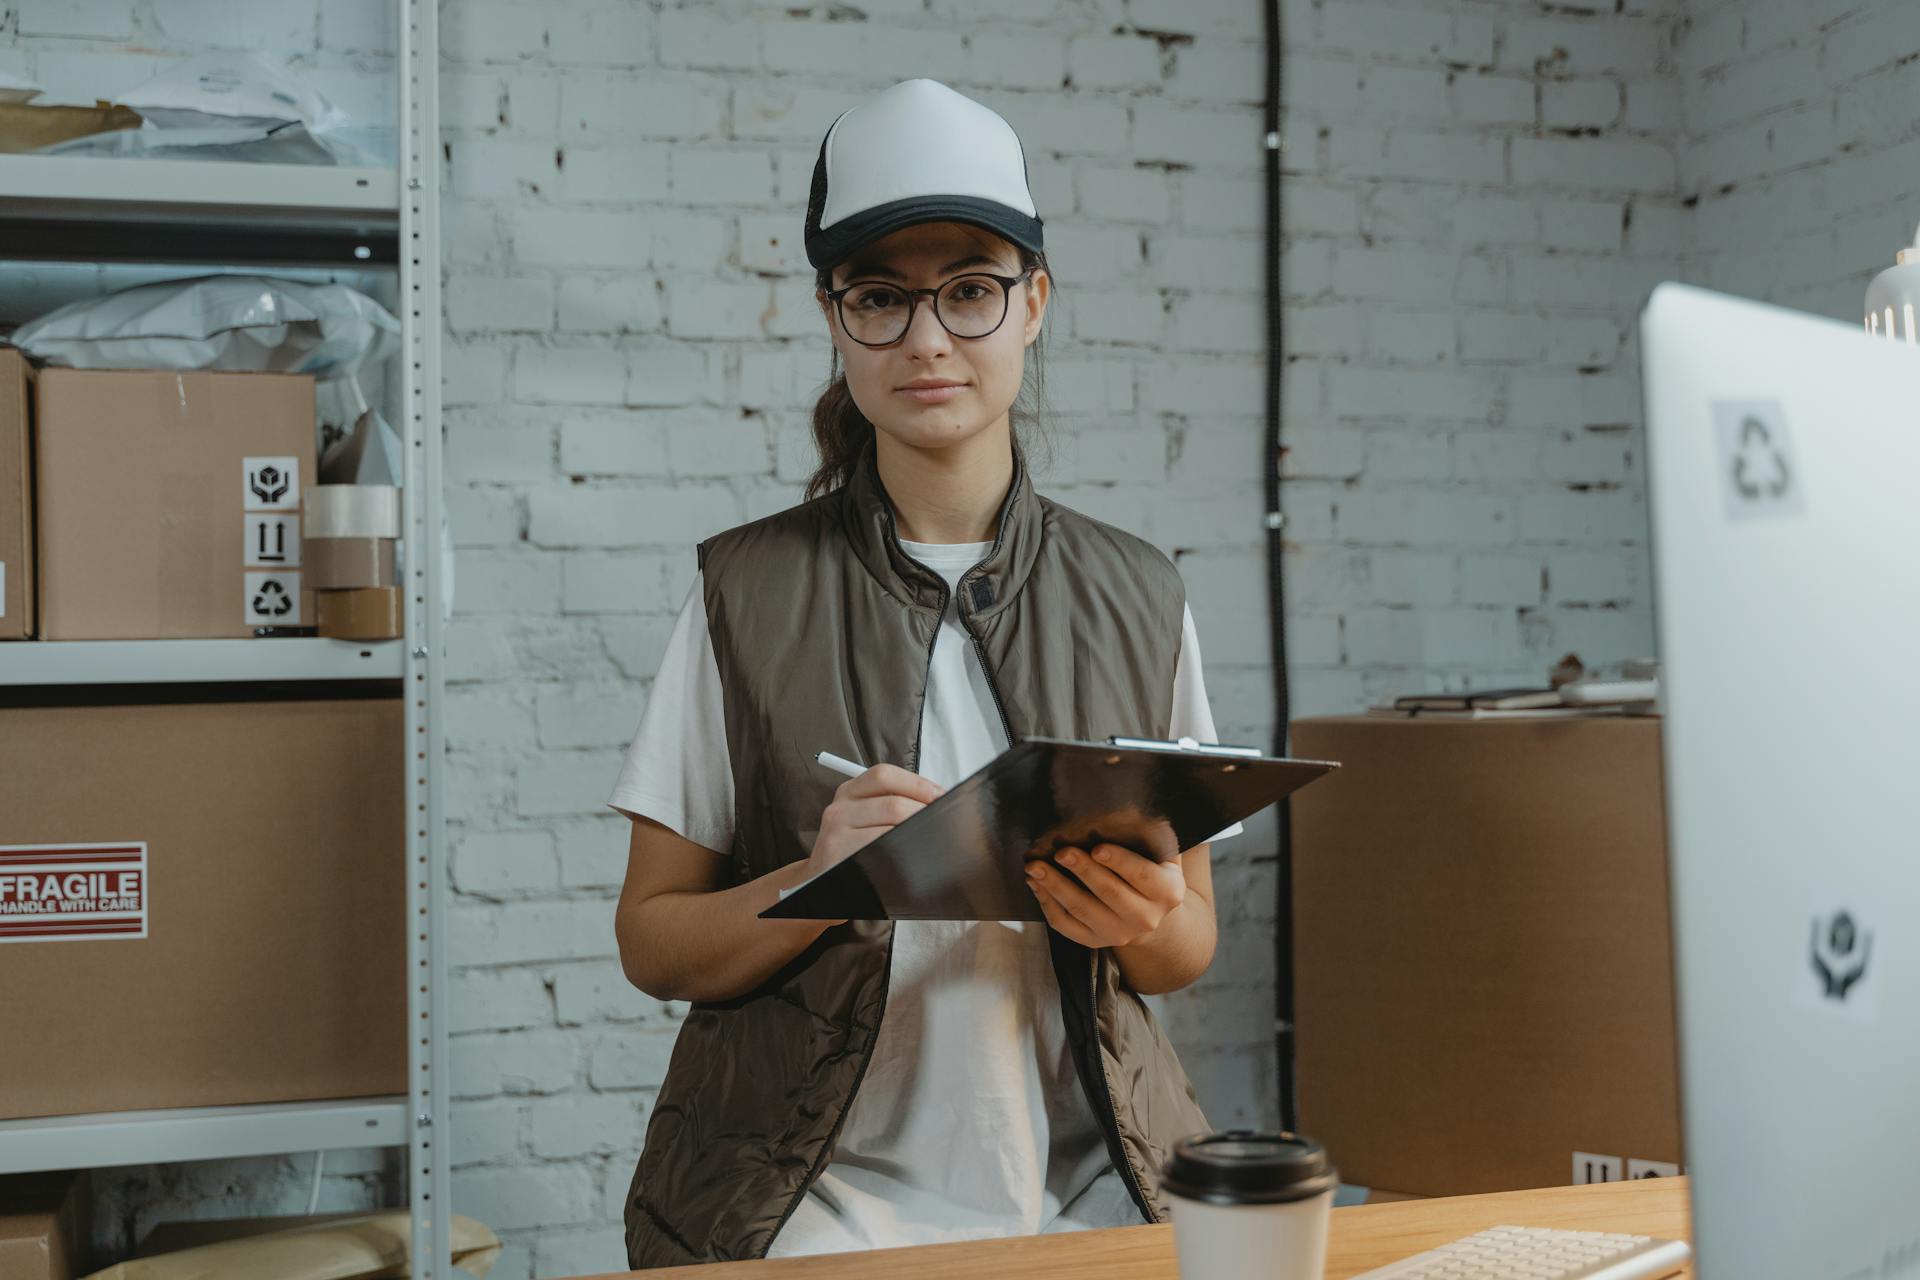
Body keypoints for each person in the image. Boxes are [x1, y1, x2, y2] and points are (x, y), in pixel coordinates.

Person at [606, 77, 1243, 1269]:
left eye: (971, 290)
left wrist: (1140, 917)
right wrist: (819, 883)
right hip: (804, 1210)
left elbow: (1185, 944)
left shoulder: (1140, 591)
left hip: (1097, 1188)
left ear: (1034, 301)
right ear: (834, 316)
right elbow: (652, 939)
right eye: (882, 298)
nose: (930, 338)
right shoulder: (742, 594)